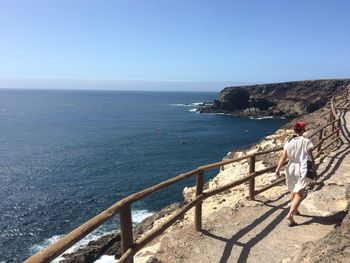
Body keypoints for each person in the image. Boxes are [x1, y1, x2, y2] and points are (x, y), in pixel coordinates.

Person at [275, 121, 316, 227]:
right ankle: (290, 214)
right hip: (302, 167)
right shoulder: (307, 141)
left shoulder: (288, 141)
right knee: (299, 193)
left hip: (290, 167)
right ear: (303, 130)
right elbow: (311, 157)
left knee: (293, 190)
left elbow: (283, 156)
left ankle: (295, 210)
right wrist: (314, 170)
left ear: (294, 130)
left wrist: (278, 168)